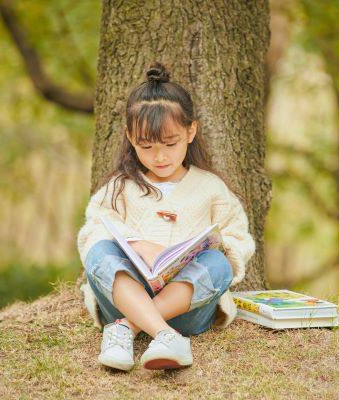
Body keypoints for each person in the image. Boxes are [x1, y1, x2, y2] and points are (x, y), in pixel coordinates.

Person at [76, 62, 255, 372]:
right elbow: (94, 229)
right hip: (124, 296)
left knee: (219, 262)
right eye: (146, 146)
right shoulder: (120, 187)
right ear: (130, 137)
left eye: (170, 145)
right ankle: (162, 334)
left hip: (187, 307)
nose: (160, 157)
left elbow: (239, 239)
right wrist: (137, 243)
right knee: (98, 248)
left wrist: (207, 250)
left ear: (191, 131)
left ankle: (126, 330)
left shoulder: (211, 187)